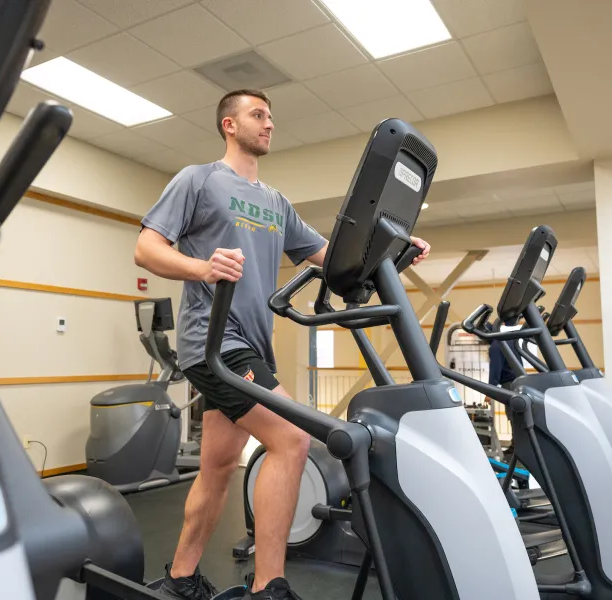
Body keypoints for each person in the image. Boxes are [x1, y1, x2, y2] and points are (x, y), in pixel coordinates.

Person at [134, 89, 430, 600]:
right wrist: (201, 267)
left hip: (253, 344)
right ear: (229, 124)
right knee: (292, 439)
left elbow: (333, 258)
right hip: (214, 341)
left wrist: (395, 250)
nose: (269, 124)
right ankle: (268, 587)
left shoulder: (276, 203)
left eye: (270, 117)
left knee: (219, 466)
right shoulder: (199, 179)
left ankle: (181, 578)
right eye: (257, 115)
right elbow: (146, 248)